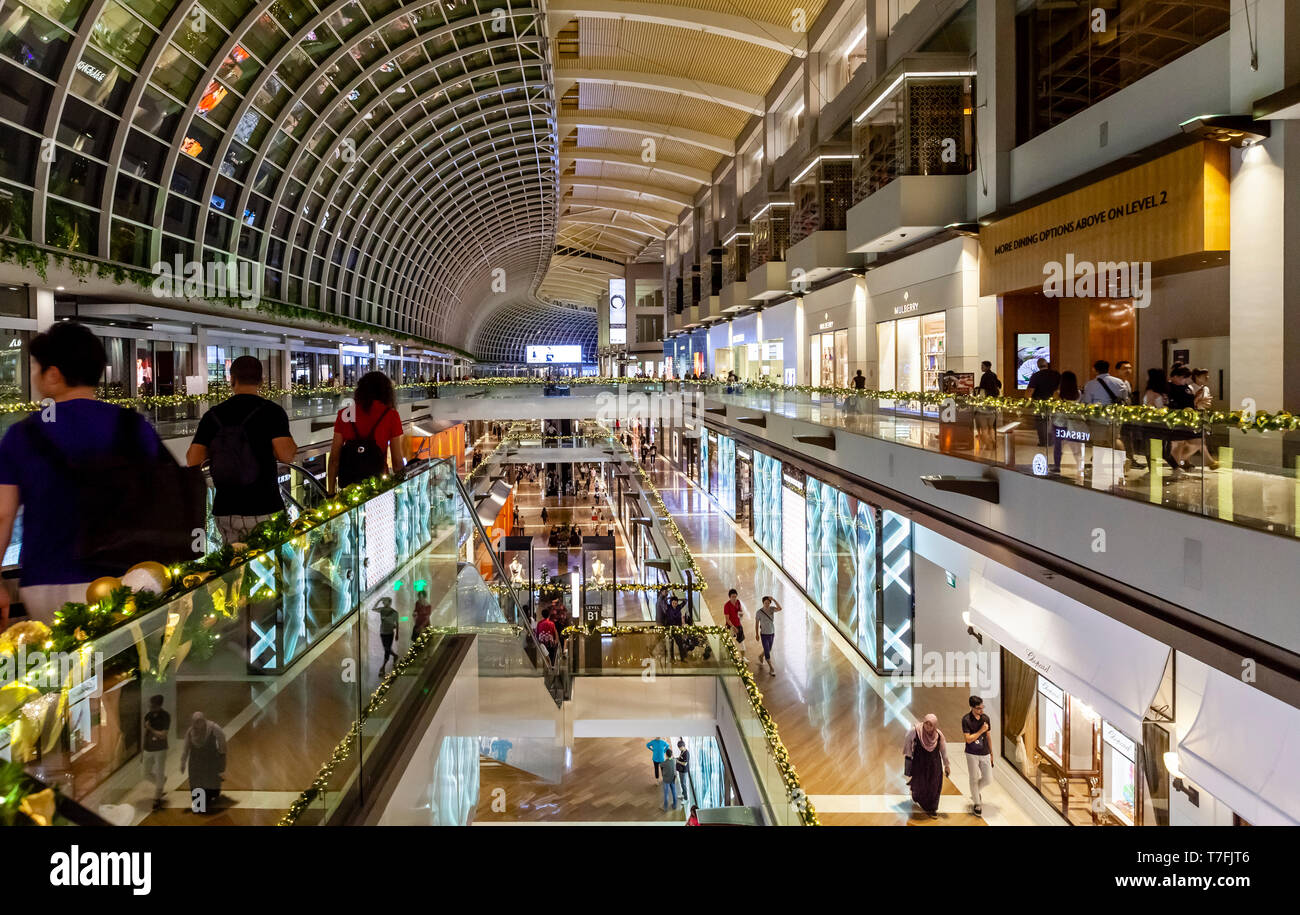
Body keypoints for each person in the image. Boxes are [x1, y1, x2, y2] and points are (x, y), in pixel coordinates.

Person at [0, 323, 169, 625]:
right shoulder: (132, 426)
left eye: (37, 368)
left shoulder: (22, 435)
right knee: (119, 665)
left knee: (60, 667)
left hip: (47, 580)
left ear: (53, 375)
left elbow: (3, 515)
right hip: (125, 577)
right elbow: (164, 492)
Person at [187, 355, 297, 544]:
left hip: (226, 510)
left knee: (234, 568)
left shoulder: (212, 416)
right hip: (265, 506)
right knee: (271, 567)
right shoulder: (272, 412)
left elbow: (193, 460)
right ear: (261, 381)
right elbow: (286, 456)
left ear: (232, 380)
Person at [328, 371, 405, 492]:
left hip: (349, 488)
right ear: (386, 392)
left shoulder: (345, 414)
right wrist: (402, 489)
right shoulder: (391, 415)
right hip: (378, 488)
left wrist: (331, 493)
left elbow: (334, 459)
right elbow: (397, 462)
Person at [903, 714, 950, 818]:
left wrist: (947, 765)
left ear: (934, 725)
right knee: (921, 784)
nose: (928, 726)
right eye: (926, 723)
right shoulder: (916, 731)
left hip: (934, 764)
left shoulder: (938, 735)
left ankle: (932, 808)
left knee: (934, 785)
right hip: (920, 763)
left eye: (931, 725)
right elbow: (907, 739)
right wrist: (909, 754)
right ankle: (920, 799)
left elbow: (944, 751)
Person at [180, 711, 227, 813]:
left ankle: (209, 799)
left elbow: (222, 740)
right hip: (196, 761)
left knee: (209, 781)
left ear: (204, 720)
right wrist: (183, 762)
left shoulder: (213, 728)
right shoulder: (190, 732)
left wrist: (222, 755)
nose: (198, 724)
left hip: (210, 760)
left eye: (200, 721)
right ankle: (199, 803)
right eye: (196, 722)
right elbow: (186, 748)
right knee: (196, 782)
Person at [961, 695, 993, 816]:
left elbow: (988, 736)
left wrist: (991, 753)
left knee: (988, 779)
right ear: (972, 708)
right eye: (979, 708)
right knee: (973, 778)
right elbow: (968, 739)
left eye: (982, 707)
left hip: (984, 753)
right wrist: (981, 731)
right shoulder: (966, 720)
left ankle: (975, 792)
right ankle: (977, 803)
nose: (981, 710)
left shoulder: (985, 719)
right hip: (971, 753)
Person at [1050, 371, 1085, 476]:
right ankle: (1080, 466)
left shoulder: (1057, 393)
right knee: (1076, 447)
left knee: (1058, 446)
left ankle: (1057, 466)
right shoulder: (1078, 393)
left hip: (1059, 422)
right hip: (1074, 422)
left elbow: (1054, 408)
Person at [142, 694, 170, 810]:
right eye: (150, 705)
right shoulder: (148, 716)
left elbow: (163, 735)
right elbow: (146, 734)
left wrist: (151, 729)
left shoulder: (165, 716)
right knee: (145, 773)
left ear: (158, 706)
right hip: (148, 748)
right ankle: (161, 783)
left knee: (159, 772)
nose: (150, 707)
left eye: (152, 706)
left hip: (160, 749)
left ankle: (157, 798)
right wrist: (142, 750)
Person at [1025, 358, 1061, 447]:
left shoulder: (1036, 376)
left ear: (1038, 366)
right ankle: (1052, 441)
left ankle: (1043, 442)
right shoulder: (1056, 374)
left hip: (1039, 404)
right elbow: (1059, 389)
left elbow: (1029, 392)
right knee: (1053, 422)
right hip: (1054, 403)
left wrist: (1028, 400)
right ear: (1047, 364)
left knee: (1041, 424)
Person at [754, 595, 782, 675]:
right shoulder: (759, 612)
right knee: (767, 651)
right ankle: (771, 668)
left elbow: (780, 608)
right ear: (763, 603)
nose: (767, 604)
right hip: (763, 634)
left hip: (772, 633)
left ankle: (760, 656)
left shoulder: (772, 609)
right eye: (765, 603)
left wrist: (773, 599)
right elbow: (756, 624)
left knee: (769, 649)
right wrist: (756, 634)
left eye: (768, 603)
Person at [372, 595, 400, 671]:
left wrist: (397, 634)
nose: (384, 603)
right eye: (383, 602)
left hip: (390, 633)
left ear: (390, 603)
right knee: (386, 648)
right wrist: (379, 599)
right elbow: (373, 609)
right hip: (383, 632)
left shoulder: (394, 613)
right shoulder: (382, 610)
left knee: (387, 649)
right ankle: (395, 655)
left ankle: (383, 667)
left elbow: (397, 624)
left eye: (385, 601)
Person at [660, 744, 679, 811]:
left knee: (666, 794)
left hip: (666, 780)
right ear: (672, 754)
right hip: (673, 779)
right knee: (674, 792)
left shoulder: (664, 763)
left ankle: (665, 808)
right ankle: (674, 805)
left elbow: (661, 765)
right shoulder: (674, 760)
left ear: (666, 755)